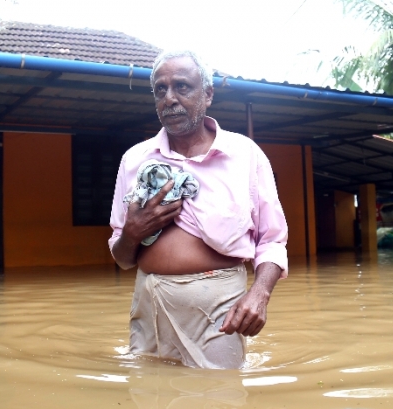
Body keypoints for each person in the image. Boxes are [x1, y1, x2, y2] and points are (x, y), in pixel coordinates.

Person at [108, 50, 288, 369]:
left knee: (220, 405)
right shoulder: (135, 160)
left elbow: (272, 241)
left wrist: (260, 294)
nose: (170, 98)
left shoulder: (245, 155)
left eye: (182, 86)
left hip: (219, 310)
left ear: (207, 95)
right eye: (160, 90)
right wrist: (133, 233)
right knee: (148, 405)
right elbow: (123, 260)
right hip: (148, 303)